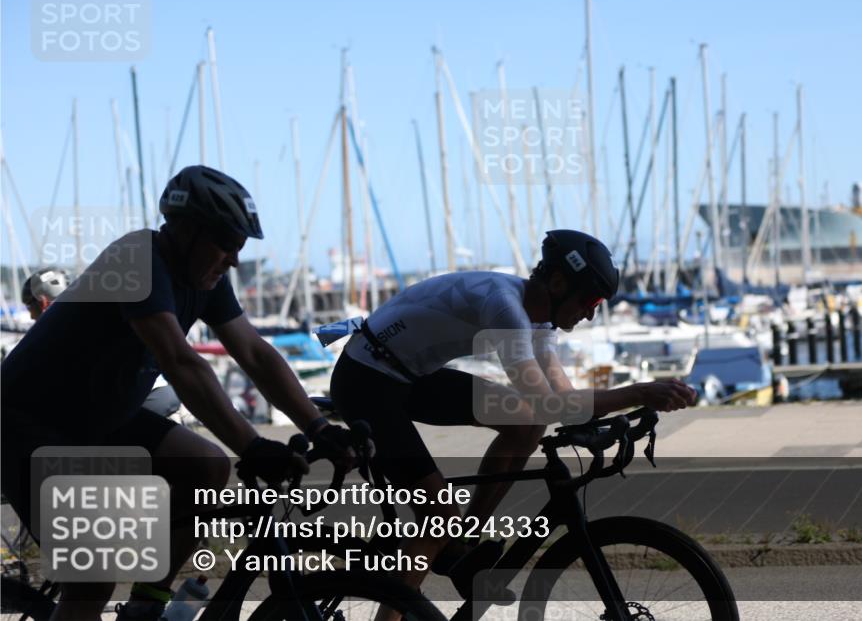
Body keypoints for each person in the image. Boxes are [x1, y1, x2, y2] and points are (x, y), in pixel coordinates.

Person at [0, 165, 353, 621]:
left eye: (239, 249)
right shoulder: (136, 260)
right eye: (226, 245)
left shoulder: (204, 279)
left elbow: (254, 352)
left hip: (101, 416)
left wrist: (319, 427)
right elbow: (179, 359)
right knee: (93, 577)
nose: (233, 260)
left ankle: (148, 604)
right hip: (31, 425)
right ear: (185, 231)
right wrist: (253, 444)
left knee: (206, 466)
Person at [327, 229, 697, 616]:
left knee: (526, 423)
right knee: (438, 517)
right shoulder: (504, 308)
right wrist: (637, 392)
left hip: (409, 375)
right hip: (366, 381)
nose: (591, 312)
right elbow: (554, 404)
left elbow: (562, 399)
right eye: (590, 300)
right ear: (557, 283)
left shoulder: (540, 324)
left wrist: (608, 419)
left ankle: (463, 546)